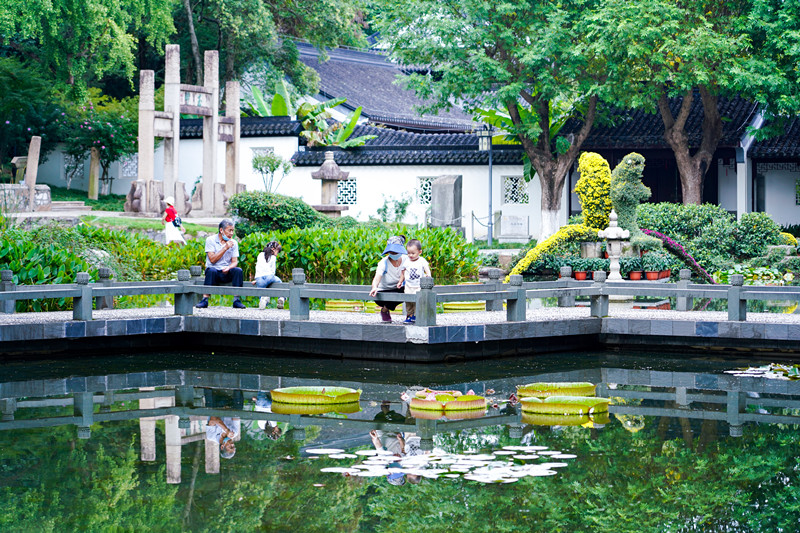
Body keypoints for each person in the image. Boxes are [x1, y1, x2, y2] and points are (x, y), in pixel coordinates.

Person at [195, 219, 246, 309]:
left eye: (233, 231)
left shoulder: (234, 243)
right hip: (214, 272)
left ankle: (237, 300)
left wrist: (229, 267)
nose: (231, 233)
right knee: (211, 270)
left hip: (226, 271)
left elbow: (235, 262)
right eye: (229, 230)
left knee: (238, 270)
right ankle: (205, 300)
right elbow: (212, 260)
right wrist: (225, 248)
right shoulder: (210, 240)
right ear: (221, 230)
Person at [368, 236, 407, 323]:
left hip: (398, 289)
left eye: (396, 251)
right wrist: (374, 287)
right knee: (395, 295)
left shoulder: (406, 259)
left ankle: (410, 314)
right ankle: (385, 310)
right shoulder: (383, 262)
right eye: (391, 252)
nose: (394, 253)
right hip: (384, 292)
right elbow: (377, 278)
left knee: (409, 289)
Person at [398, 238, 431, 324]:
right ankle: (409, 315)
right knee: (408, 301)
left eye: (413, 253)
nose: (410, 255)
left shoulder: (422, 260)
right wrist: (400, 281)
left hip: (418, 286)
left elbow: (426, 268)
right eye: (408, 253)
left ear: (420, 252)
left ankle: (416, 315)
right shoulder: (406, 261)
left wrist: (428, 274)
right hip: (408, 286)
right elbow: (403, 272)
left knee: (417, 301)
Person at [254, 241, 285, 310]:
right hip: (269, 277)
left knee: (261, 291)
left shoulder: (260, 255)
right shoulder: (273, 257)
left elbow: (258, 268)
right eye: (277, 252)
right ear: (273, 249)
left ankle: (263, 300)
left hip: (259, 278)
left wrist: (256, 280)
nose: (277, 254)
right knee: (279, 282)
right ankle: (281, 298)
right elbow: (272, 272)